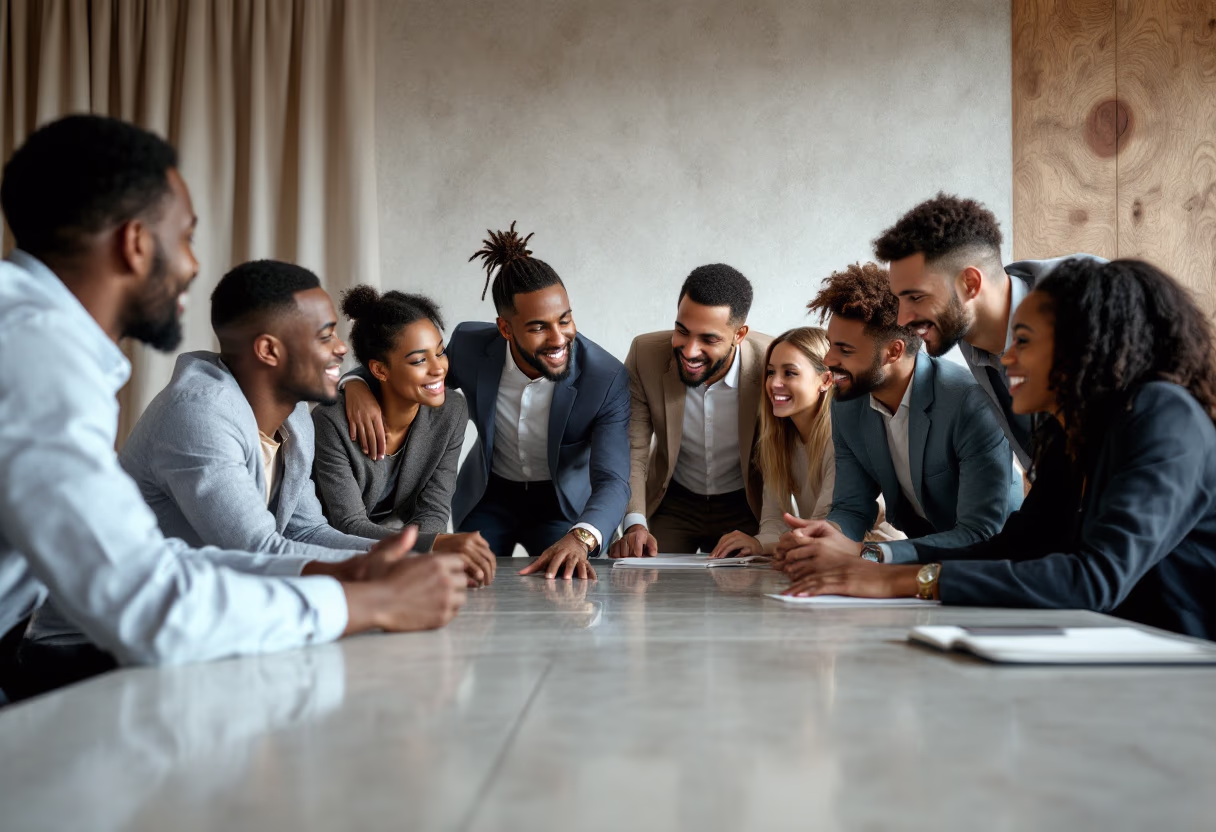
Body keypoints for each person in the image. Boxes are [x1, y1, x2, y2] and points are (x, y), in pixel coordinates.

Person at [0, 115, 465, 700]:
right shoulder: (36, 355)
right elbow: (146, 600)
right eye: (186, 237)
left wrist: (348, 571)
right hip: (73, 653)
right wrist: (363, 601)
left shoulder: (36, 339)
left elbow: (163, 559)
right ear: (135, 243)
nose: (193, 265)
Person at [778, 259, 1216, 641]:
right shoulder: (1072, 433)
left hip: (1185, 664)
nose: (1006, 359)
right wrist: (877, 566)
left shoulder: (1164, 414)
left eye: (1024, 341)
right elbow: (1013, 546)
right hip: (1117, 651)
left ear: (1081, 346)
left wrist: (901, 581)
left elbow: (1094, 578)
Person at [341, 223, 630, 580]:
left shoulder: (606, 379)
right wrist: (355, 382)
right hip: (489, 496)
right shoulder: (470, 347)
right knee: (461, 578)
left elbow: (613, 480)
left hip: (563, 507)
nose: (559, 338)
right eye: (538, 327)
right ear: (505, 329)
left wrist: (582, 537)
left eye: (565, 320)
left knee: (569, 584)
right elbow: (413, 373)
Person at [803, 262, 1021, 564]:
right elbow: (852, 507)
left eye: (845, 350)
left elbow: (980, 533)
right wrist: (824, 537)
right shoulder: (847, 403)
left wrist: (873, 553)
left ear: (894, 351)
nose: (828, 359)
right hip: (918, 560)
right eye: (830, 345)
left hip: (996, 563)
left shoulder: (969, 403)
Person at [875, 192, 1104, 469]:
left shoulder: (1091, 294)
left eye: (916, 297)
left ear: (970, 284)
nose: (901, 320)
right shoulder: (967, 331)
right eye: (900, 299)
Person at [312, 286, 496, 584]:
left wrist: (424, 554)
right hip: (334, 561)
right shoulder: (332, 422)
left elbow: (434, 510)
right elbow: (347, 524)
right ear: (379, 370)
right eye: (419, 360)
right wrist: (433, 545)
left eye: (440, 352)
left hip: (404, 552)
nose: (438, 369)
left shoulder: (451, 412)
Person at [608, 265, 772, 557]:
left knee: (747, 583)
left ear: (739, 335)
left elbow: (780, 456)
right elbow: (633, 448)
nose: (689, 350)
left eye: (709, 339)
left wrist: (770, 533)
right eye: (682, 331)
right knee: (646, 574)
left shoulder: (771, 362)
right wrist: (634, 523)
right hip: (673, 501)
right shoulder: (646, 355)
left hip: (745, 504)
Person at [707, 326, 903, 560]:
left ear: (826, 380)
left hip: (878, 557)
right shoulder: (778, 441)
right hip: (827, 556)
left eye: (790, 373)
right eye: (771, 372)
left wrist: (768, 545)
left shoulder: (840, 438)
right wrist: (757, 544)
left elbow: (827, 525)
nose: (774, 383)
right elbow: (773, 521)